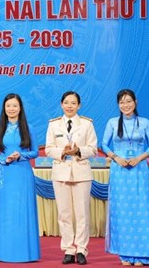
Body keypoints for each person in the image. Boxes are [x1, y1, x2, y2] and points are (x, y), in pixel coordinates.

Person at [101, 89, 149, 266]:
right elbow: (103, 144)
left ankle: (143, 255)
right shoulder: (112, 123)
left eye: (128, 101)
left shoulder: (144, 122)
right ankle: (124, 254)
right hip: (119, 171)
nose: (125, 105)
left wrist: (139, 158)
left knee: (140, 211)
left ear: (135, 102)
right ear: (118, 105)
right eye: (122, 102)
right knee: (121, 211)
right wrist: (116, 157)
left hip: (138, 170)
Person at [45, 91, 98, 265]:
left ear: (79, 105)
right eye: (66, 103)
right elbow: (48, 149)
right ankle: (68, 249)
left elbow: (93, 149)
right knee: (64, 214)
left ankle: (81, 249)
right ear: (61, 104)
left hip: (81, 173)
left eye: (73, 103)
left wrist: (78, 151)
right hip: (61, 172)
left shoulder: (86, 124)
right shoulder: (54, 125)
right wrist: (63, 151)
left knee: (82, 214)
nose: (69, 106)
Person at [0, 93, 40, 263]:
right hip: (5, 173)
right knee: (6, 212)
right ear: (4, 109)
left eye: (14, 106)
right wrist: (4, 159)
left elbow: (35, 152)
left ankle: (26, 253)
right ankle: (5, 253)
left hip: (23, 173)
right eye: (8, 106)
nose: (11, 109)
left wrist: (21, 156)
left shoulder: (28, 128)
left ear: (20, 108)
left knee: (23, 210)